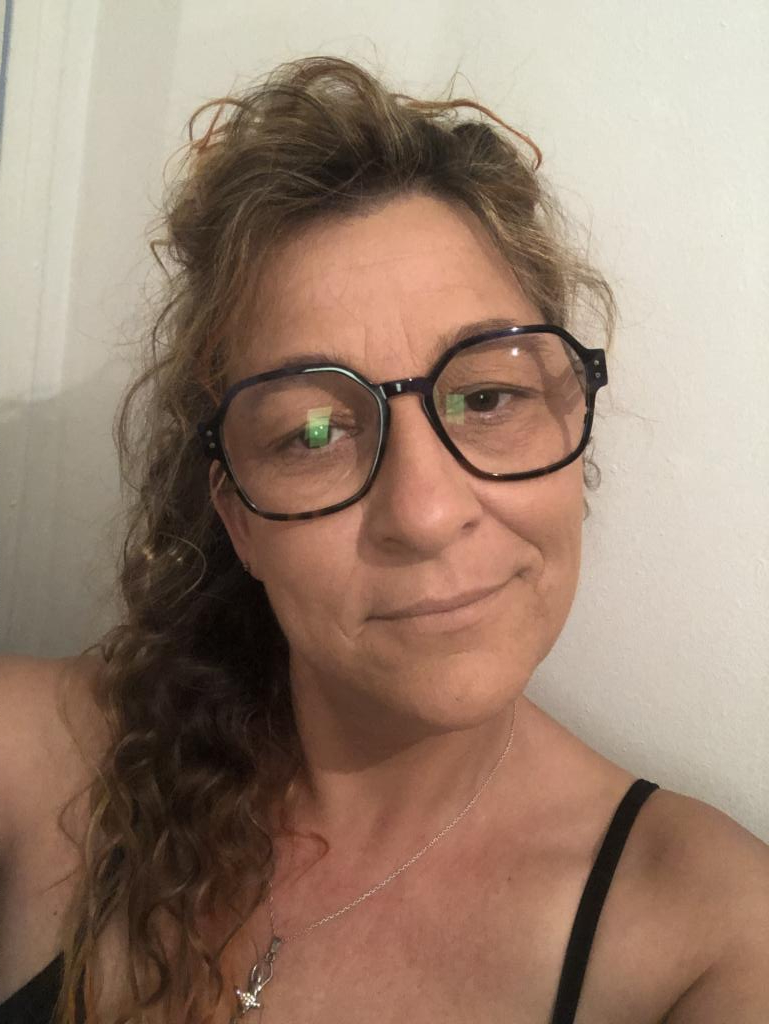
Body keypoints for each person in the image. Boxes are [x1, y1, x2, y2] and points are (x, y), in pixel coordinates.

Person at [0, 55, 766, 1024]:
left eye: (487, 397)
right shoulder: (47, 759)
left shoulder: (711, 942)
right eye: (313, 432)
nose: (425, 512)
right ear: (236, 516)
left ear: (572, 422)